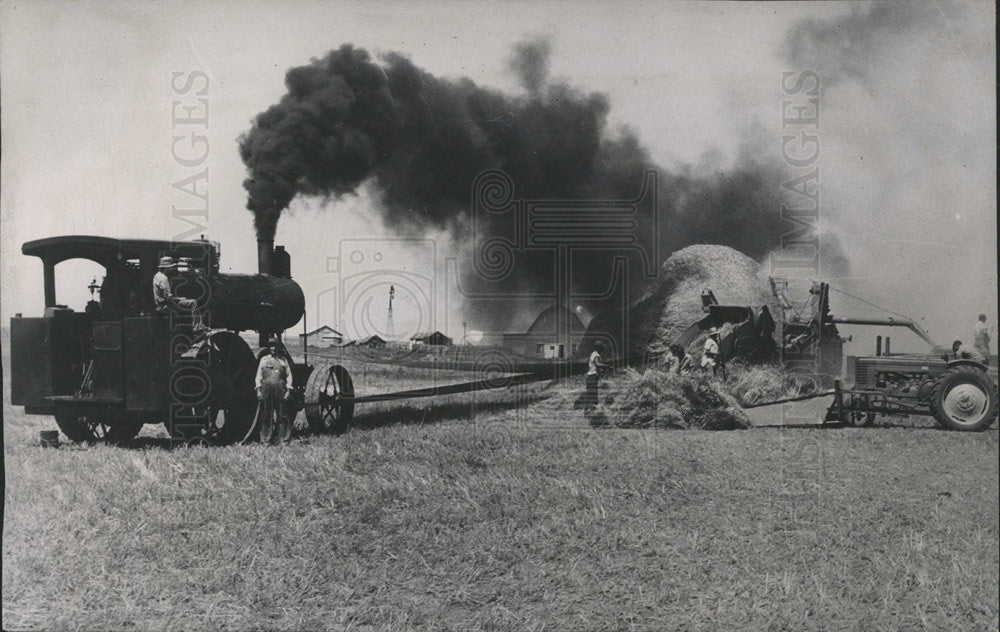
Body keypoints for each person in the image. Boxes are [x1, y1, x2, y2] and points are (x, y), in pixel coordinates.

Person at [255, 342, 294, 443]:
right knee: (266, 414)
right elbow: (258, 376)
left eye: (275, 346)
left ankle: (284, 439)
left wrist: (288, 390)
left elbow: (289, 376)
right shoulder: (263, 360)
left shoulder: (283, 360)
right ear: (269, 348)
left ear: (278, 348)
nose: (273, 348)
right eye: (271, 346)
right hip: (266, 390)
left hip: (280, 389)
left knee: (282, 414)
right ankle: (265, 440)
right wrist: (258, 390)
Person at [153, 256, 203, 329]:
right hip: (165, 307)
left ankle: (195, 326)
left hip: (160, 305)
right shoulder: (164, 278)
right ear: (167, 268)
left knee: (185, 300)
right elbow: (168, 298)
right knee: (193, 303)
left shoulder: (157, 275)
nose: (172, 269)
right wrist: (180, 299)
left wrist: (181, 299)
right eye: (171, 267)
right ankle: (198, 328)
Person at [585, 340, 612, 411]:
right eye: (602, 347)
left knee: (591, 397)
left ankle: (589, 413)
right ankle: (592, 414)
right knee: (593, 399)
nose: (603, 349)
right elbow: (597, 364)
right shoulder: (596, 355)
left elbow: (595, 367)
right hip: (592, 377)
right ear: (599, 348)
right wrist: (607, 366)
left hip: (591, 377)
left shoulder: (594, 353)